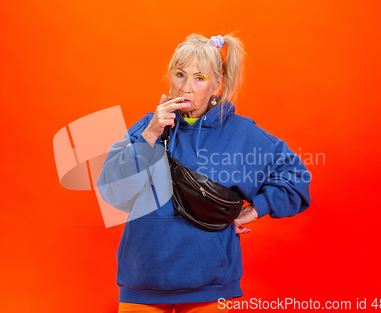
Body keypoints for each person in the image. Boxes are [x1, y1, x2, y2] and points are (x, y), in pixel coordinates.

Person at [97, 33, 311, 313]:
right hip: (143, 283)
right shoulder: (148, 128)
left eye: (199, 78)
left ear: (217, 86)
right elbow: (112, 189)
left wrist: (255, 209)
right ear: (170, 78)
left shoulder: (241, 134)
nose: (186, 87)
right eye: (180, 75)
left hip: (210, 285)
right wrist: (150, 134)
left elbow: (296, 177)